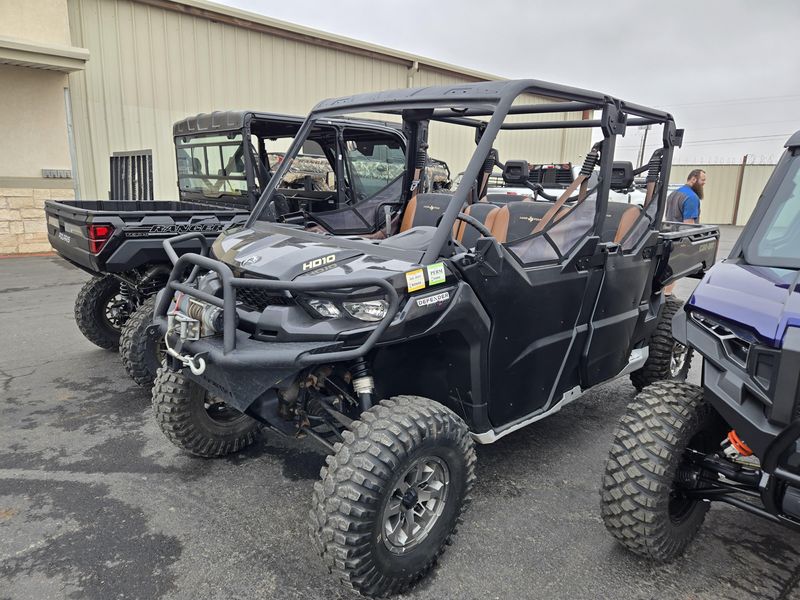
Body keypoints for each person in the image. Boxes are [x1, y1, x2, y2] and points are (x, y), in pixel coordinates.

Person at [664, 169, 707, 297]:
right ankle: (666, 297)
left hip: (668, 236)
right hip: (679, 240)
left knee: (665, 271)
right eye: (702, 180)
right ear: (694, 179)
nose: (704, 183)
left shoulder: (673, 194)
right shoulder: (691, 197)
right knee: (673, 273)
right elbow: (688, 224)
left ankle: (663, 294)